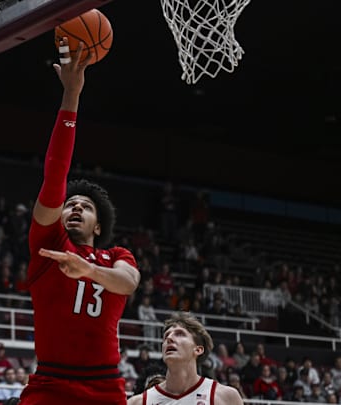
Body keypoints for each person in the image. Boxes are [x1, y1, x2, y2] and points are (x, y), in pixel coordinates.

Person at [18, 39, 140, 405]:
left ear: (98, 225)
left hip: (105, 387)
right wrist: (71, 95)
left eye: (84, 206)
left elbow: (128, 283)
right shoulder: (48, 244)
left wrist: (86, 269)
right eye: (70, 204)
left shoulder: (118, 254)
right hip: (51, 384)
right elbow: (56, 173)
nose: (74, 208)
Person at [127, 312, 243, 405]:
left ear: (198, 349)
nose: (169, 338)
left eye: (180, 334)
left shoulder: (227, 397)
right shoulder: (137, 402)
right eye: (166, 336)